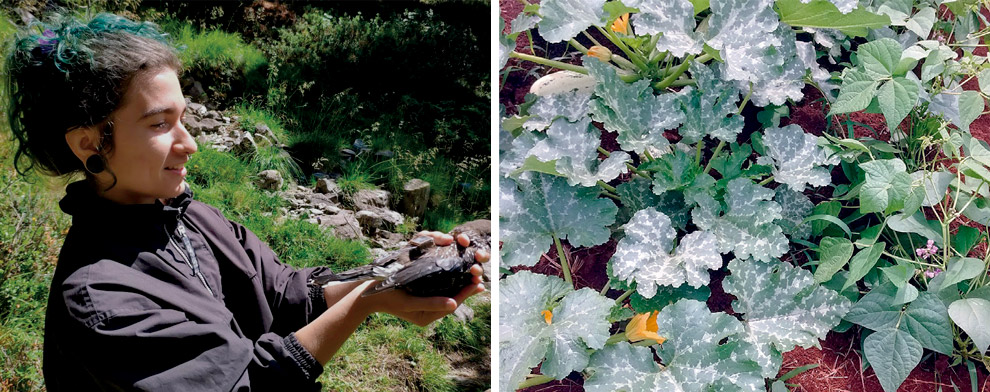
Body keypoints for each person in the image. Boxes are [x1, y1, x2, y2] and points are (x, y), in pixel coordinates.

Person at [3, 12, 487, 391]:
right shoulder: (102, 298)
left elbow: (283, 295)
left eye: (184, 119)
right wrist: (363, 303)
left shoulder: (188, 216)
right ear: (89, 144)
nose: (189, 144)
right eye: (158, 124)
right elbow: (247, 386)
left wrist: (399, 269)